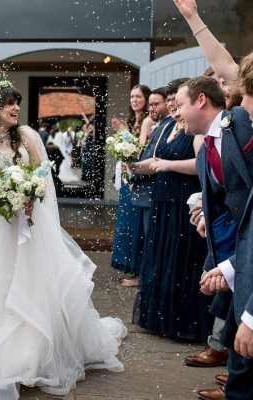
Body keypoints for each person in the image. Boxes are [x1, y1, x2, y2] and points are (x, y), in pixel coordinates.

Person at [0, 82, 126, 400]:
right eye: (9, 104)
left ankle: (30, 357)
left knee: (28, 286)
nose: (15, 109)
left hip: (23, 226)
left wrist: (31, 196)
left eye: (17, 104)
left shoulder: (26, 136)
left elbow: (41, 176)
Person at [175, 74, 253, 400]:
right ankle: (238, 385)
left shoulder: (238, 125)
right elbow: (223, 197)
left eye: (179, 105)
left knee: (242, 323)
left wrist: (193, 19)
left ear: (201, 100)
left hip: (247, 248)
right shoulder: (206, 152)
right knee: (236, 325)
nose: (175, 113)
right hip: (237, 248)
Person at [132, 82, 210, 342]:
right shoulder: (168, 126)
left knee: (181, 260)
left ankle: (183, 323)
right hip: (162, 200)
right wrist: (132, 166)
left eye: (178, 102)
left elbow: (201, 165)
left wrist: (169, 165)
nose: (175, 107)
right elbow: (154, 161)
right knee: (161, 257)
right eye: (172, 102)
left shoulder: (195, 130)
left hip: (181, 202)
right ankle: (159, 319)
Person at [122, 86, 172, 288]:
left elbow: (154, 157)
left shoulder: (160, 125)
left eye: (155, 103)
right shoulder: (159, 125)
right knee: (148, 235)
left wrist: (135, 170)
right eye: (150, 104)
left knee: (153, 237)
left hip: (154, 190)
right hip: (143, 185)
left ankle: (150, 279)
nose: (151, 108)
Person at [110, 84, 150, 277]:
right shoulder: (131, 121)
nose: (134, 100)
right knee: (126, 221)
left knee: (136, 222)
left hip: (139, 176)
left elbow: (140, 151)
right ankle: (128, 264)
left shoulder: (148, 122)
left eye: (138, 97)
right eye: (132, 97)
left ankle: (137, 268)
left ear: (147, 99)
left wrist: (124, 135)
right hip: (127, 177)